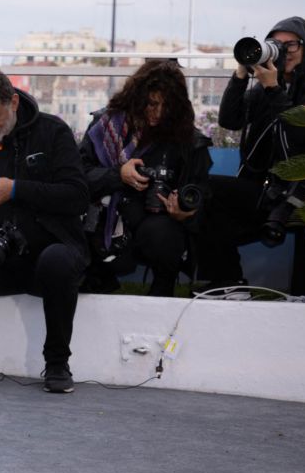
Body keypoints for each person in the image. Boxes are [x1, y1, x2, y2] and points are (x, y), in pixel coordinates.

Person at [0, 67, 89, 393]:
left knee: (58, 260)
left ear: (13, 101)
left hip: (52, 250)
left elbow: (77, 196)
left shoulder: (52, 132)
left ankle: (57, 363)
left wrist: (15, 190)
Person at [197, 17, 305, 298]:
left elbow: (300, 137)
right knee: (204, 189)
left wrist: (275, 89)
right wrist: (241, 73)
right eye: (277, 45)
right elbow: (230, 119)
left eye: (292, 45)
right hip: (270, 191)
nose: (285, 52)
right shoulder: (266, 86)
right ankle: (229, 282)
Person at [79, 60, 212, 296]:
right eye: (151, 104)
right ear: (137, 98)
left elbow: (200, 194)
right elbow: (78, 178)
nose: (157, 113)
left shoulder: (189, 141)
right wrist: (118, 174)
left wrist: (184, 213)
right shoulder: (106, 125)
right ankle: (100, 276)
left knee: (163, 234)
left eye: (166, 106)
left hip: (154, 227)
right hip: (104, 221)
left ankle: (163, 287)